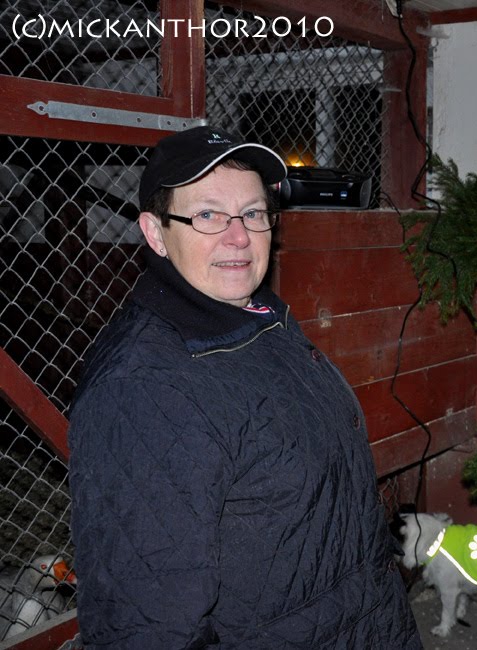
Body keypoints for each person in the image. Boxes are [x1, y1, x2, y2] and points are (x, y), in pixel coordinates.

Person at [67, 127, 421, 648]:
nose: (239, 237)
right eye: (207, 215)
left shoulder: (259, 320)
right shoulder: (144, 390)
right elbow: (147, 624)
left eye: (253, 213)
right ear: (155, 232)